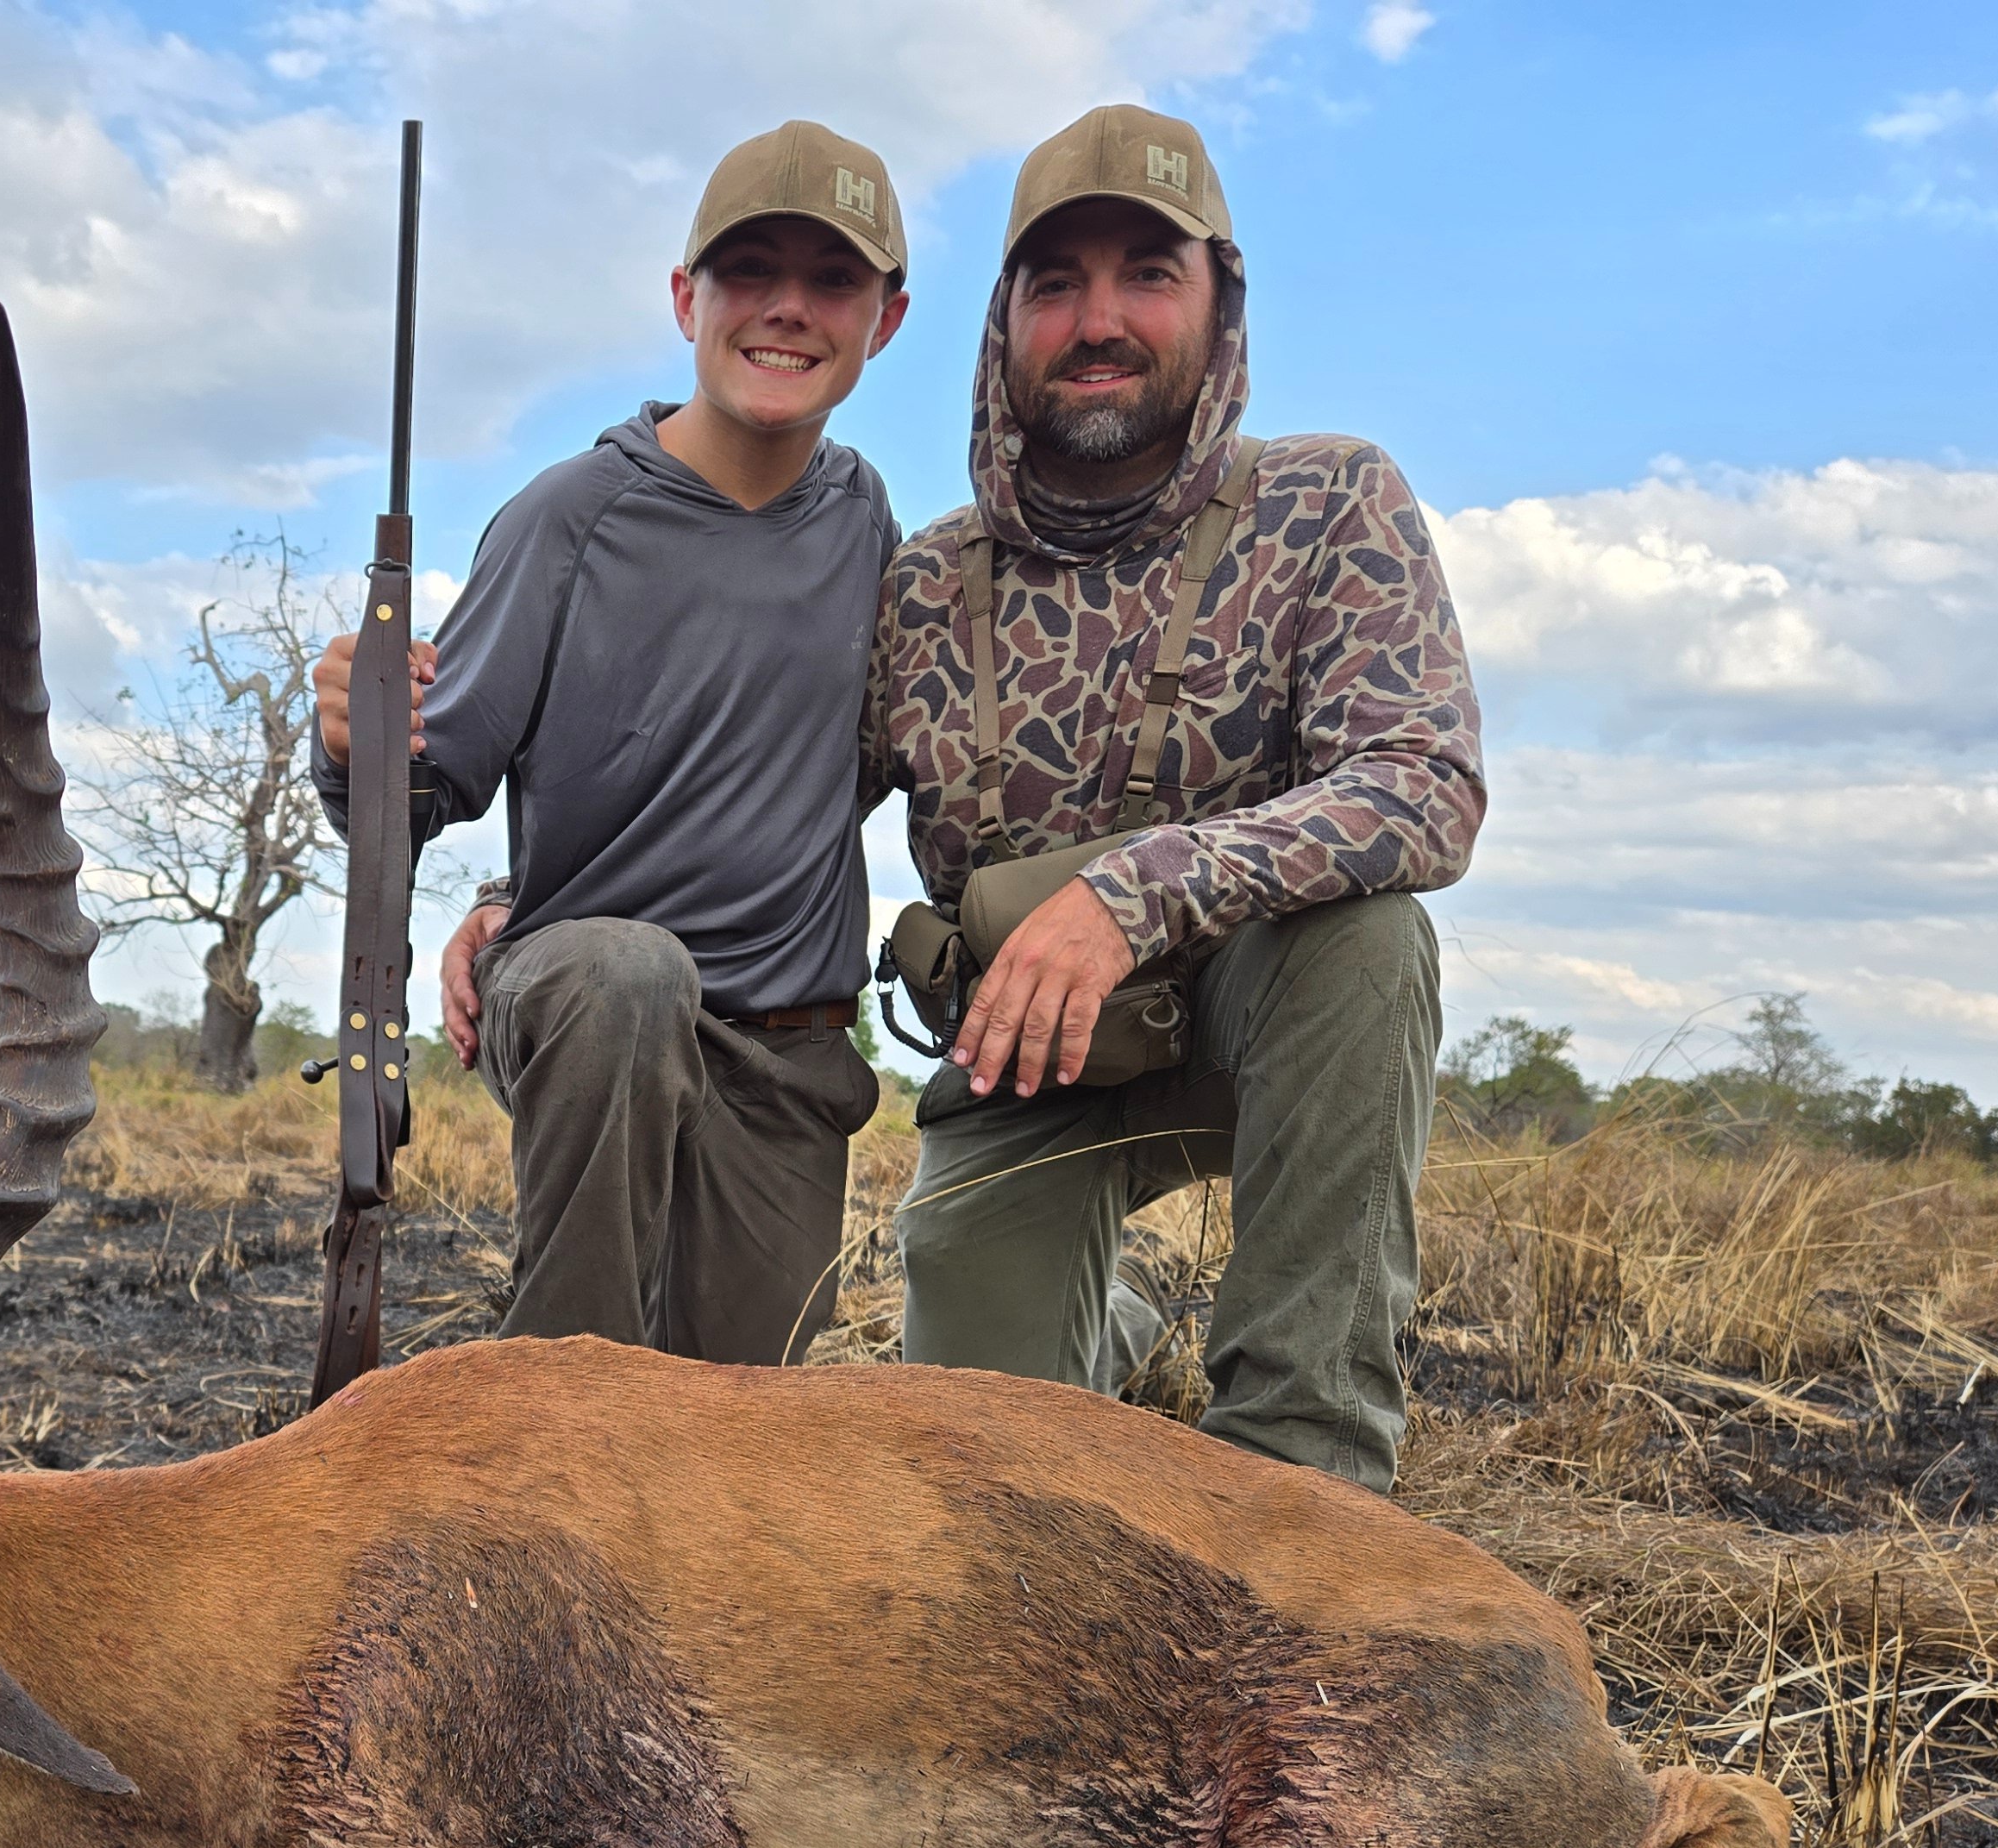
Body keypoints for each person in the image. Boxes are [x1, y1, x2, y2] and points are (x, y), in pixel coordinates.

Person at [865, 103, 1483, 1491]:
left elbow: (1422, 784)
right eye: (1057, 282)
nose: (1101, 319)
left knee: (1371, 943)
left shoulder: (1331, 501)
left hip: (1265, 1027)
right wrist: (515, 895)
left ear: (1221, 302)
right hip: (1028, 1060)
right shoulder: (922, 578)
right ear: (1002, 319)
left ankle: (1303, 1477)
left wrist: (1129, 896)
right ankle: (1111, 1324)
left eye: (1149, 272)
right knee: (980, 1478)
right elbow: (763, 804)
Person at [315, 122, 906, 1365]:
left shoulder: (869, 526)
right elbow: (421, 782)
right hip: (588, 1000)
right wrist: (351, 739)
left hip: (786, 1051)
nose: (789, 313)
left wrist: (494, 892)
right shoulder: (564, 518)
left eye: (833, 283)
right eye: (752, 276)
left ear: (885, 321)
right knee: (630, 978)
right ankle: (542, 1430)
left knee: (734, 1453)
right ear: (688, 298)